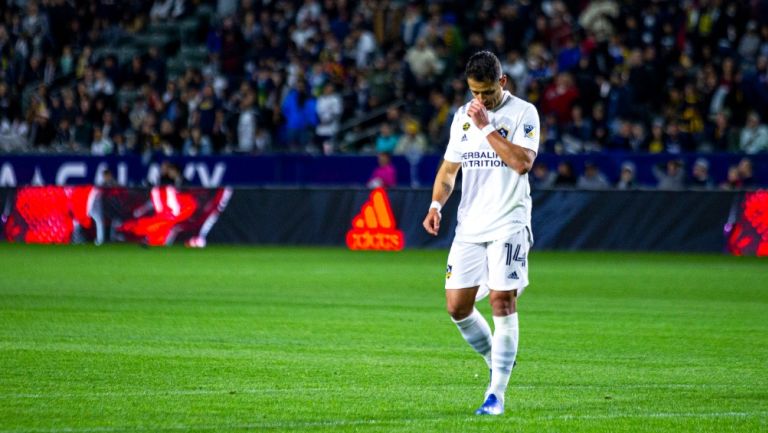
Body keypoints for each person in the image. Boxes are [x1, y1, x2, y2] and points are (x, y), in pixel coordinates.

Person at [422, 51, 539, 416]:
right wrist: (437, 206)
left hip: (508, 221)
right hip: (470, 225)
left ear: (502, 82)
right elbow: (447, 172)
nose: (481, 100)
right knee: (457, 307)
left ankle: (496, 395)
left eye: (487, 92)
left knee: (503, 300)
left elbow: (521, 163)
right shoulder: (463, 117)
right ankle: (497, 359)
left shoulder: (524, 113)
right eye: (475, 92)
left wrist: (488, 126)